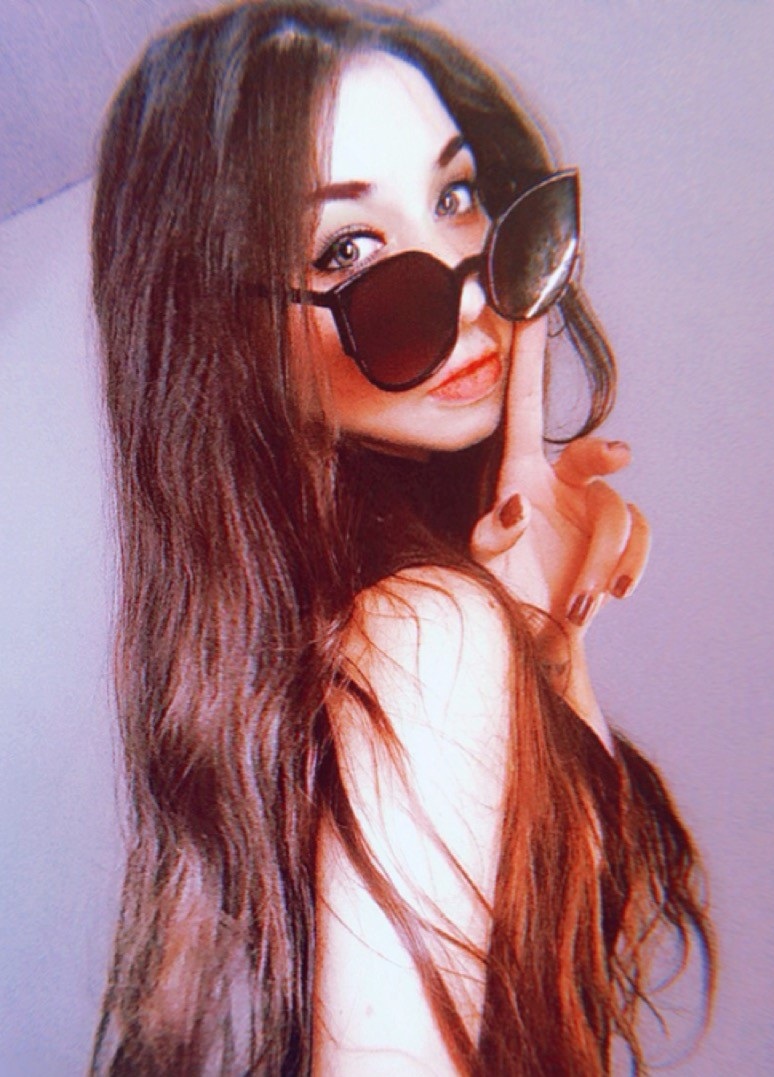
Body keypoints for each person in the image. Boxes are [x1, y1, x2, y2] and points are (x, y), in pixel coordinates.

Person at [90, 2, 714, 1073]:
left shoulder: (323, 643)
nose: (469, 294)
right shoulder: (422, 631)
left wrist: (547, 637)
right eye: (348, 247)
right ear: (223, 333)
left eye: (457, 196)